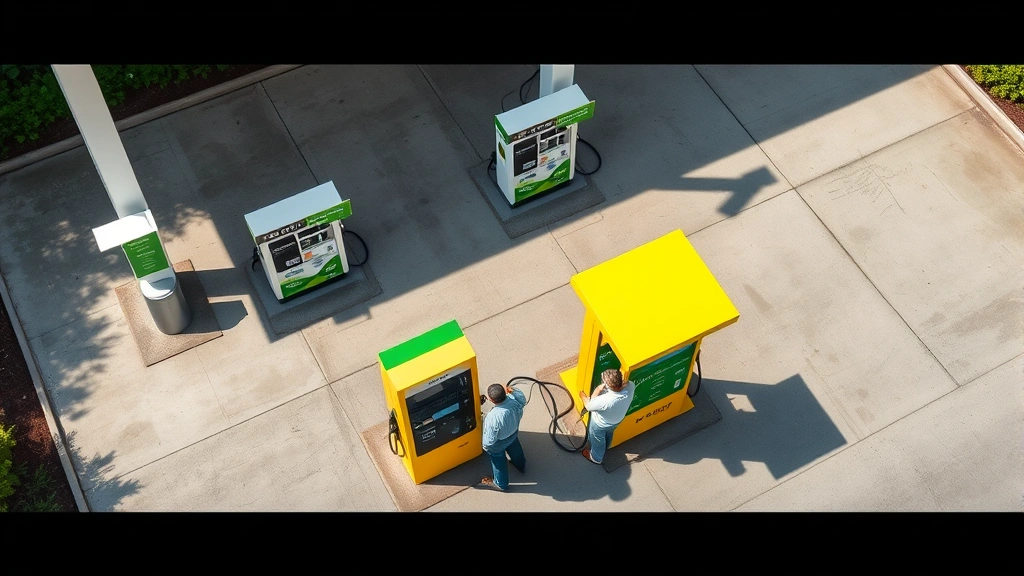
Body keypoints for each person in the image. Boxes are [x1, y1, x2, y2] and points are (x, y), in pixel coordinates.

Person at [578, 368, 635, 465]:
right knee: (609, 433)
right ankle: (606, 446)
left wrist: (594, 391)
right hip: (617, 421)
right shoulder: (630, 386)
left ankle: (596, 457)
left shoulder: (605, 400)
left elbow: (589, 405)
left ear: (607, 386)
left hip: (600, 424)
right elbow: (625, 384)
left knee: (597, 438)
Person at [480, 382, 527, 491]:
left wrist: (487, 448)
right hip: (513, 433)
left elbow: (489, 440)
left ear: (491, 400)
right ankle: (521, 466)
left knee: (498, 461)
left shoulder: (492, 417)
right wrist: (512, 390)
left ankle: (501, 484)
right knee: (515, 449)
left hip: (499, 442)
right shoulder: (515, 401)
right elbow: (522, 398)